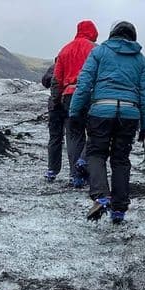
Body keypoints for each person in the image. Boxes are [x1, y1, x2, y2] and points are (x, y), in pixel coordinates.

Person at [69, 21, 145, 224]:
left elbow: (85, 83)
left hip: (101, 111)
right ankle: (119, 209)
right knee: (121, 160)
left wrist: (74, 111)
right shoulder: (141, 60)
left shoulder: (99, 53)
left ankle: (101, 195)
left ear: (112, 33)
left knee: (96, 153)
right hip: (129, 114)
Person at [46, 20, 99, 185]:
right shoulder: (96, 50)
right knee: (96, 133)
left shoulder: (65, 50)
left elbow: (56, 80)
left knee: (74, 135)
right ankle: (84, 162)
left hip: (69, 96)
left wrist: (55, 101)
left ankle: (75, 175)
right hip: (91, 95)